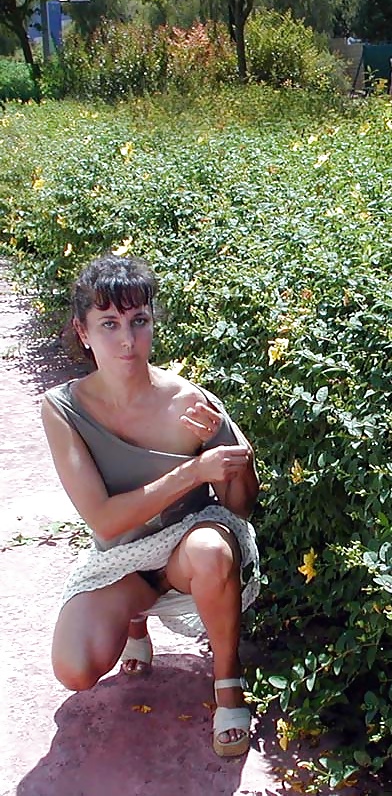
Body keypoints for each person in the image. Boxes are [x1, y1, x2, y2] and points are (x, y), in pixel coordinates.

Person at [41, 255, 261, 758]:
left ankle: (228, 682)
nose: (127, 340)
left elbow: (241, 506)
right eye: (110, 324)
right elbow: (103, 519)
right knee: (74, 670)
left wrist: (224, 442)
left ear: (152, 324)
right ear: (83, 330)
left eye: (139, 322)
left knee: (209, 548)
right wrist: (192, 471)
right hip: (122, 558)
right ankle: (136, 620)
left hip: (189, 547)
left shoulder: (188, 399)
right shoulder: (62, 408)